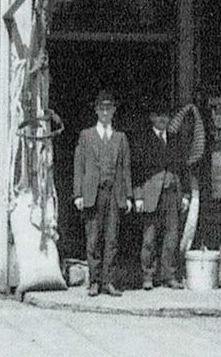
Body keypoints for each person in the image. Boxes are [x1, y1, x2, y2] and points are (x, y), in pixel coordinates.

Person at [73, 90, 132, 297]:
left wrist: (128, 196)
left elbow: (125, 169)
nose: (105, 112)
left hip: (113, 194)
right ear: (96, 111)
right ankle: (95, 282)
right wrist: (78, 194)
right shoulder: (86, 135)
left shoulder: (120, 138)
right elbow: (79, 166)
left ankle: (109, 282)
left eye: (109, 108)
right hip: (92, 194)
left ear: (114, 111)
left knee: (112, 239)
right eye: (102, 108)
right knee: (93, 239)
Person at [134, 103, 190, 290]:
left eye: (165, 116)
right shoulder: (144, 140)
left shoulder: (175, 140)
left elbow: (184, 169)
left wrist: (186, 195)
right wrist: (138, 196)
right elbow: (137, 171)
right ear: (152, 118)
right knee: (149, 237)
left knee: (172, 237)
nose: (162, 120)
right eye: (158, 116)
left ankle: (169, 275)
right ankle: (148, 276)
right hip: (151, 195)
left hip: (172, 195)